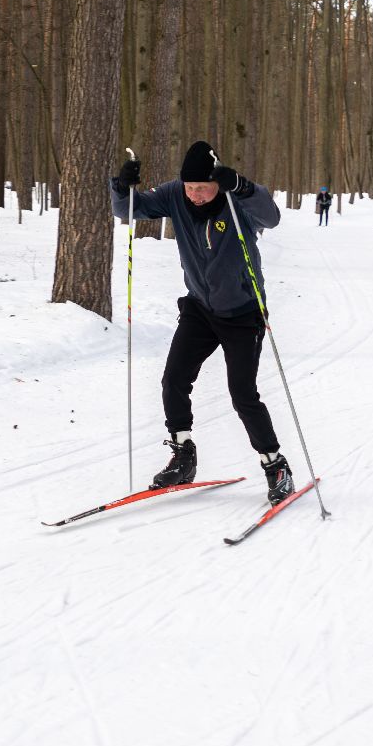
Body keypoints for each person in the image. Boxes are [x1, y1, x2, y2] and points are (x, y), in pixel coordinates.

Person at [111, 141, 295, 504]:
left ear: (217, 183)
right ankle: (184, 455)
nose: (195, 195)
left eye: (203, 188)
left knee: (242, 393)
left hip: (243, 312)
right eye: (190, 187)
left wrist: (243, 187)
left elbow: (271, 217)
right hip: (199, 308)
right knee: (174, 380)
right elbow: (129, 210)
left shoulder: (235, 199)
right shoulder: (174, 195)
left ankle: (275, 465)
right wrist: (122, 186)